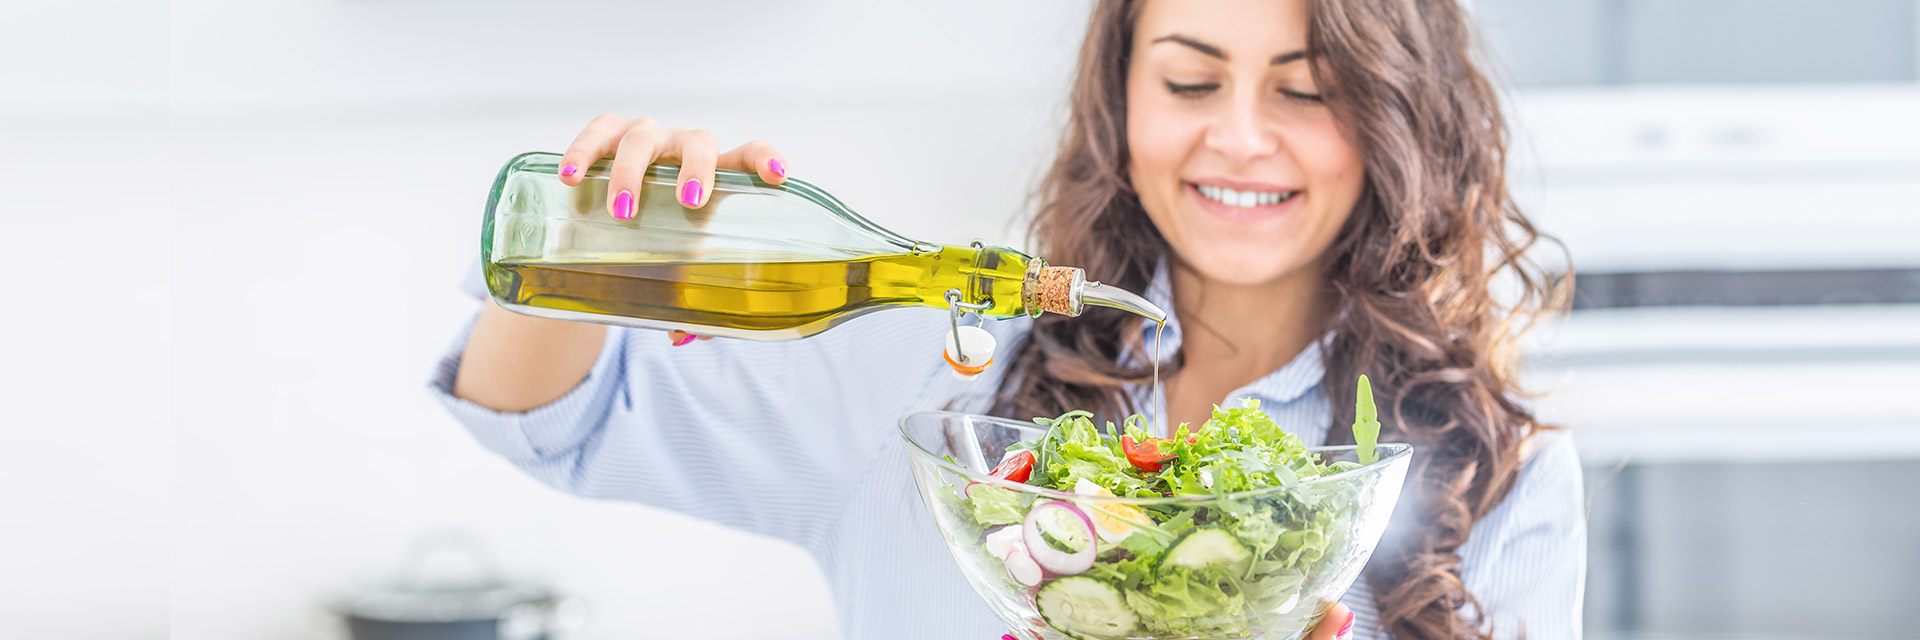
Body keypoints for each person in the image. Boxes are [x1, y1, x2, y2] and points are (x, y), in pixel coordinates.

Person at [431, 0, 1585, 638]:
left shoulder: (1496, 467)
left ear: (1396, 113)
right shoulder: (932, 380)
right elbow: (548, 418)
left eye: (1307, 87)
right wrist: (583, 247)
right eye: (1190, 82)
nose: (1239, 136)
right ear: (1119, 102)